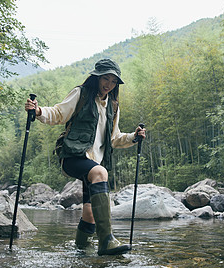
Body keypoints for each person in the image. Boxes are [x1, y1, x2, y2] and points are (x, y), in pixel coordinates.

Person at [24, 58, 146, 255]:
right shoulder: (81, 93)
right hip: (73, 155)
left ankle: (81, 252)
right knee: (100, 172)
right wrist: (37, 111)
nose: (109, 84)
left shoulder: (113, 107)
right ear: (96, 77)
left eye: (113, 82)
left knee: (89, 214)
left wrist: (134, 137)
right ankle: (107, 240)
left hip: (93, 163)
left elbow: (114, 138)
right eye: (105, 79)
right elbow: (58, 113)